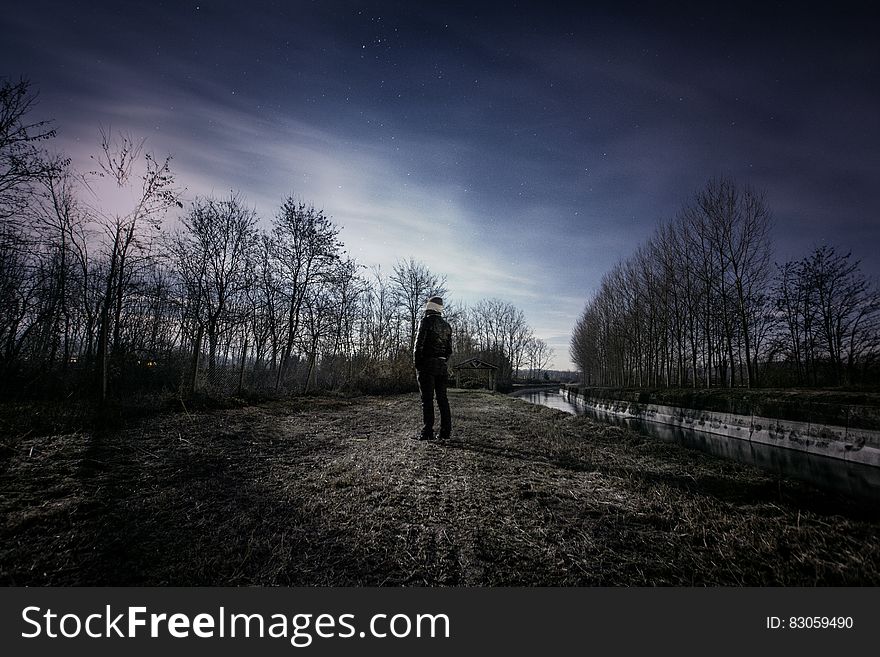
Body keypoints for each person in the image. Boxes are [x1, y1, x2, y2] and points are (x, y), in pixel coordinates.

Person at [413, 295, 452, 440]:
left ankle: (427, 432)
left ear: (429, 307)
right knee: (443, 399)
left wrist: (418, 365)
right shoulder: (447, 326)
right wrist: (442, 361)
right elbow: (449, 350)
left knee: (427, 400)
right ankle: (445, 432)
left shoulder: (426, 322)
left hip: (427, 365)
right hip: (442, 366)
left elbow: (418, 346)